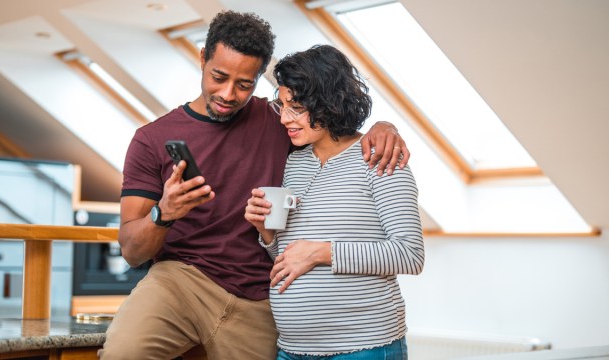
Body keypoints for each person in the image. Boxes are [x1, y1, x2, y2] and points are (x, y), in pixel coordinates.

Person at [100, 11, 410, 360]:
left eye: (244, 84)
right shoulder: (150, 139)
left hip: (260, 292)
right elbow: (131, 250)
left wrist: (384, 126)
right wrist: (164, 213)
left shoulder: (280, 121)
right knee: (122, 354)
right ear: (202, 58)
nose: (228, 94)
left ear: (260, 78)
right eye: (219, 77)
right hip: (181, 280)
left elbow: (328, 117)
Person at [244, 44, 424, 359]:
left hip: (363, 348)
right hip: (292, 349)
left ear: (328, 102)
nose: (285, 118)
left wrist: (322, 252)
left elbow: (409, 255)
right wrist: (267, 232)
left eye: (296, 107)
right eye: (281, 105)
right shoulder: (293, 163)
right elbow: (288, 257)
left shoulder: (379, 157)